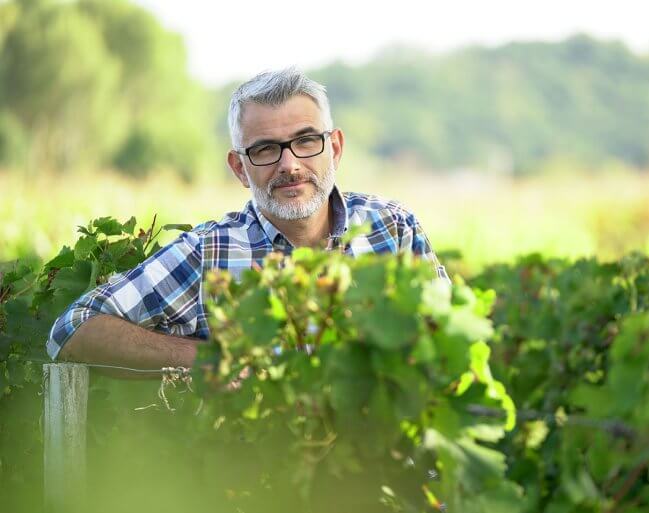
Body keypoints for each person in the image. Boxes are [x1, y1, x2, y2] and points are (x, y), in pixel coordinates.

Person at [47, 67, 447, 369]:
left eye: (306, 141)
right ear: (239, 168)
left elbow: (447, 339)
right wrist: (210, 358)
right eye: (265, 149)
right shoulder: (210, 253)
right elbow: (73, 329)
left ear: (335, 148)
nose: (289, 165)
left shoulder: (393, 228)